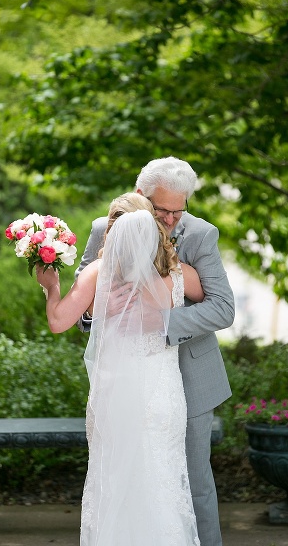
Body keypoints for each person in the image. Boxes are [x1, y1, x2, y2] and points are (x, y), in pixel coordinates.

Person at [75, 157, 235, 546]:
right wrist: (99, 313)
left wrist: (161, 323)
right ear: (138, 194)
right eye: (161, 209)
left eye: (178, 210)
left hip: (190, 378)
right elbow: (85, 306)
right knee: (126, 478)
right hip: (127, 379)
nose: (170, 220)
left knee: (193, 484)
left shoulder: (201, 235)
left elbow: (223, 307)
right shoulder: (106, 228)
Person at [37, 193, 205, 545]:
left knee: (114, 482)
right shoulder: (179, 275)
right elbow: (206, 299)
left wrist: (50, 287)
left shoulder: (99, 275)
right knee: (162, 480)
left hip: (115, 398)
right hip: (164, 396)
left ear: (112, 230)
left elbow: (57, 322)